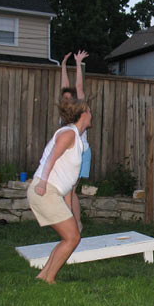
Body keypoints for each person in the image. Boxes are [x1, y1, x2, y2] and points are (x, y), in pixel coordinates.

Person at [28, 98, 92, 284]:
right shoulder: (69, 134)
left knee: (69, 237)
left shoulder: (77, 140)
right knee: (72, 238)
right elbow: (51, 158)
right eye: (89, 111)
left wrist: (70, 213)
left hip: (53, 191)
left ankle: (43, 276)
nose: (91, 114)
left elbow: (69, 184)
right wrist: (42, 183)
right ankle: (49, 279)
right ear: (82, 114)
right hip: (45, 190)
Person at [60, 50, 90, 232]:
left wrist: (78, 64)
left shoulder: (78, 110)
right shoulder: (64, 113)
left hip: (81, 152)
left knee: (69, 191)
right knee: (68, 191)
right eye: (64, 98)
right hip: (68, 153)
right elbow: (65, 86)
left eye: (68, 98)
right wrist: (63, 65)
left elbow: (78, 87)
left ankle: (75, 225)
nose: (66, 99)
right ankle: (76, 224)